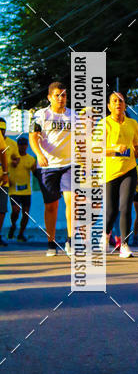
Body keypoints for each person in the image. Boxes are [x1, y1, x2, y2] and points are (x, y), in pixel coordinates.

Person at [96, 92, 138, 259]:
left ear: (125, 105)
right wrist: (115, 150)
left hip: (129, 169)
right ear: (109, 106)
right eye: (114, 101)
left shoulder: (132, 123)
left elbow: (137, 144)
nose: (118, 103)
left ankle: (124, 244)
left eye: (121, 101)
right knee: (110, 211)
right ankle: (106, 234)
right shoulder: (104, 124)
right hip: (110, 172)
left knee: (125, 207)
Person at [29, 82, 73, 257]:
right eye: (57, 95)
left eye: (63, 95)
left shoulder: (73, 115)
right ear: (49, 97)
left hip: (69, 164)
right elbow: (33, 138)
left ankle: (70, 241)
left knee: (72, 200)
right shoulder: (41, 115)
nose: (61, 98)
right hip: (48, 165)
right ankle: (51, 242)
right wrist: (39, 154)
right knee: (51, 206)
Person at [8, 137, 36, 241]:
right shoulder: (12, 157)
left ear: (27, 146)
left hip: (26, 191)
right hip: (14, 190)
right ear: (17, 145)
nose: (22, 146)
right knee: (16, 210)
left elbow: (35, 173)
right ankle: (13, 225)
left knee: (26, 213)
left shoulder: (31, 159)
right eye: (20, 144)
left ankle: (20, 234)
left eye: (24, 144)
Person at [0, 121, 13, 246]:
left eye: (3, 129)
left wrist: (5, 173)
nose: (1, 131)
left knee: (2, 209)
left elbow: (3, 153)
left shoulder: (11, 143)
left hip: (2, 180)